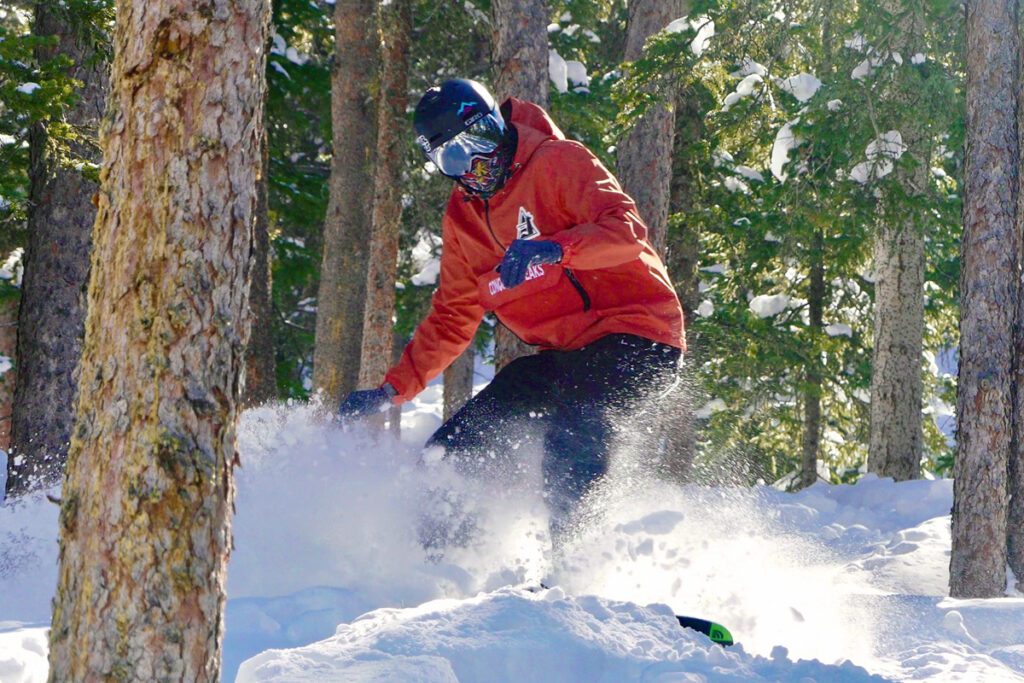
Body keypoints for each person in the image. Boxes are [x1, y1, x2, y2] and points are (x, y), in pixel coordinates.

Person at [340, 78, 685, 541]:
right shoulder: (464, 220)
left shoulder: (560, 163)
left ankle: (576, 567)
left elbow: (627, 232)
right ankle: (433, 560)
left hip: (639, 335)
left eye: (480, 139)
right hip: (563, 356)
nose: (475, 164)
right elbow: (452, 315)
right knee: (452, 451)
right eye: (453, 157)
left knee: (575, 427)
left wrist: (556, 249)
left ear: (498, 125)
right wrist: (393, 389)